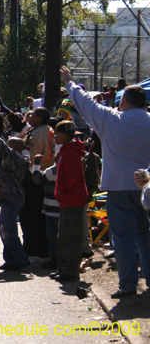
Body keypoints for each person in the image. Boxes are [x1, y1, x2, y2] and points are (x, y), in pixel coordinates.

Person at [60, 66, 150, 299]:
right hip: (147, 187)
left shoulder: (111, 119)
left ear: (126, 101)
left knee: (122, 238)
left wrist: (70, 82)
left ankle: (128, 285)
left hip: (119, 187)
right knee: (145, 235)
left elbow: (85, 104)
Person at [47, 120, 88, 282]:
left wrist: (61, 188)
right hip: (68, 200)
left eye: (56, 134)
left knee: (70, 236)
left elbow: (72, 177)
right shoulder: (67, 151)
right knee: (63, 236)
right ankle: (63, 268)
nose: (55, 137)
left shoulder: (70, 153)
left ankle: (70, 271)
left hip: (72, 199)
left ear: (64, 135)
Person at [0, 130, 32, 272]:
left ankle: (20, 258)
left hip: (12, 197)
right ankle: (10, 259)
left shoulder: (16, 158)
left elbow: (1, 146)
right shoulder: (13, 160)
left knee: (8, 230)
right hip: (9, 197)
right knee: (5, 229)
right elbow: (0, 175)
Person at [21, 107, 52, 263]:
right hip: (48, 177)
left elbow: (28, 156)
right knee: (43, 217)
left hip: (34, 177)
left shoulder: (36, 134)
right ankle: (44, 250)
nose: (30, 117)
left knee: (30, 217)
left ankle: (32, 251)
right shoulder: (50, 131)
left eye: (32, 115)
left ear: (39, 118)